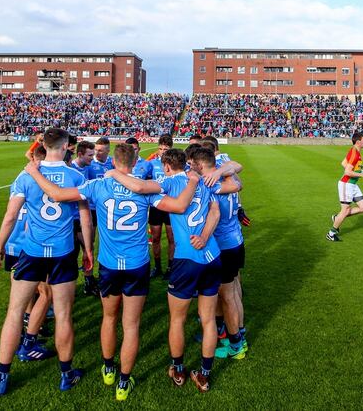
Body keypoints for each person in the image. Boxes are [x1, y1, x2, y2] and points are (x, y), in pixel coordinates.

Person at [26, 143, 199, 401]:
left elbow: (58, 195)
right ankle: (123, 381)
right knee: (131, 326)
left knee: (109, 318)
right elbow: (179, 206)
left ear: (113, 161)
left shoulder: (98, 185)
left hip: (108, 265)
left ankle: (108, 367)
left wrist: (34, 172)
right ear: (135, 161)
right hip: (136, 264)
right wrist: (194, 182)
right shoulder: (144, 188)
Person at [0, 128, 94, 396]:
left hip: (31, 252)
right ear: (66, 146)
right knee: (64, 315)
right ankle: (67, 375)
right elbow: (85, 220)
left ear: (43, 144)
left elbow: (10, 217)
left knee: (14, 312)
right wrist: (88, 251)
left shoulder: (25, 174)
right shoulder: (76, 176)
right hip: (63, 253)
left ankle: (1, 376)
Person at [109, 149, 222, 393]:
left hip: (186, 258)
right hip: (212, 254)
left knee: (178, 319)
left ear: (167, 166)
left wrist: (113, 173)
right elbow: (216, 211)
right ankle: (204, 375)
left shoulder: (168, 182)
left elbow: (139, 188)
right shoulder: (202, 179)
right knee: (209, 319)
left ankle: (178, 369)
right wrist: (204, 236)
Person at [0, 145, 55, 362]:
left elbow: (10, 216)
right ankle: (29, 341)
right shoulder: (45, 180)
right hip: (31, 247)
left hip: (12, 245)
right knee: (46, 294)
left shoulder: (20, 178)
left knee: (20, 299)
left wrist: (0, 245)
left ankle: (28, 333)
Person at [188, 148, 248, 360]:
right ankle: (239, 334)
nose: (190, 167)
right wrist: (224, 169)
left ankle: (236, 346)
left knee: (227, 297)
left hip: (223, 245)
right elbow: (237, 180)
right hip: (236, 240)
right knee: (232, 293)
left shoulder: (209, 184)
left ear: (199, 164)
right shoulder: (228, 175)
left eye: (192, 164)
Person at [81, 137, 114, 296]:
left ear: (108, 150)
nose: (97, 153)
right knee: (90, 244)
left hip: (109, 208)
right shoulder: (89, 164)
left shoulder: (113, 163)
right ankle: (88, 279)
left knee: (109, 241)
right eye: (96, 149)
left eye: (101, 150)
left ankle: (110, 271)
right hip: (93, 209)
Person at [327, 131, 363, 242]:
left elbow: (343, 163)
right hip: (346, 184)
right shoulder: (355, 153)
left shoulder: (354, 151)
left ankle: (337, 217)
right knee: (345, 210)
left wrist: (359, 171)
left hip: (353, 185)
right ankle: (331, 233)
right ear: (358, 142)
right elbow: (347, 172)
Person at [147, 134, 175, 280]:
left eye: (166, 149)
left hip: (171, 206)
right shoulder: (151, 164)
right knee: (156, 237)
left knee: (171, 238)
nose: (162, 151)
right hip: (156, 206)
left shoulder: (175, 165)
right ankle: (157, 266)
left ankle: (170, 267)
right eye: (160, 148)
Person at [70, 140, 96, 282]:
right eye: (90, 155)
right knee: (72, 252)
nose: (93, 158)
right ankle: (70, 282)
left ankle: (88, 280)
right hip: (73, 217)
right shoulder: (71, 170)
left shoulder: (88, 168)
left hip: (86, 214)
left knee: (89, 247)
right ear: (80, 154)